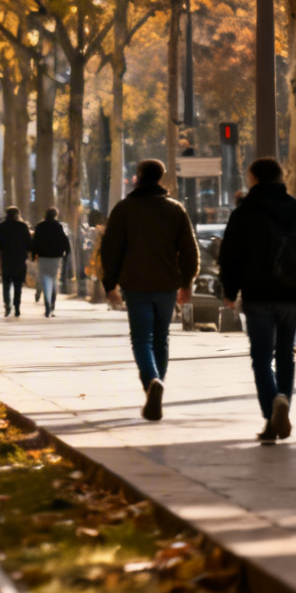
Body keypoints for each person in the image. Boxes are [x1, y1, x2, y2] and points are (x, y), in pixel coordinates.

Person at [218, 157, 296, 444]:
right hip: (291, 295)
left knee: (262, 357)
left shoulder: (244, 213)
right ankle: (283, 405)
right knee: (286, 355)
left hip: (257, 296)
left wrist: (230, 291)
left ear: (253, 178)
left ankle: (271, 411)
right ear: (281, 177)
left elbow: (229, 256)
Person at [101, 159, 198, 422]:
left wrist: (110, 285)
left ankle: (151, 382)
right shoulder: (175, 209)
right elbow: (189, 250)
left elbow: (110, 250)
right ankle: (157, 385)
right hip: (166, 285)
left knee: (141, 339)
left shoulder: (124, 209)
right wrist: (187, 282)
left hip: (136, 284)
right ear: (162, 177)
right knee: (161, 338)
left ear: (138, 177)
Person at [30, 208, 71, 318]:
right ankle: (52, 304)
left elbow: (35, 241)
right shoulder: (58, 227)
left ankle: (47, 303)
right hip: (55, 257)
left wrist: (33, 255)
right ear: (55, 215)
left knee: (44, 279)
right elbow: (64, 241)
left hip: (43, 257)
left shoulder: (40, 227)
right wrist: (66, 253)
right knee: (53, 279)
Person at [0, 207, 32, 318]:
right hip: (20, 259)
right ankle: (17, 306)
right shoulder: (23, 226)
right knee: (18, 284)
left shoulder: (1, 227)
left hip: (6, 258)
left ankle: (7, 304)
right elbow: (29, 243)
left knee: (6, 284)